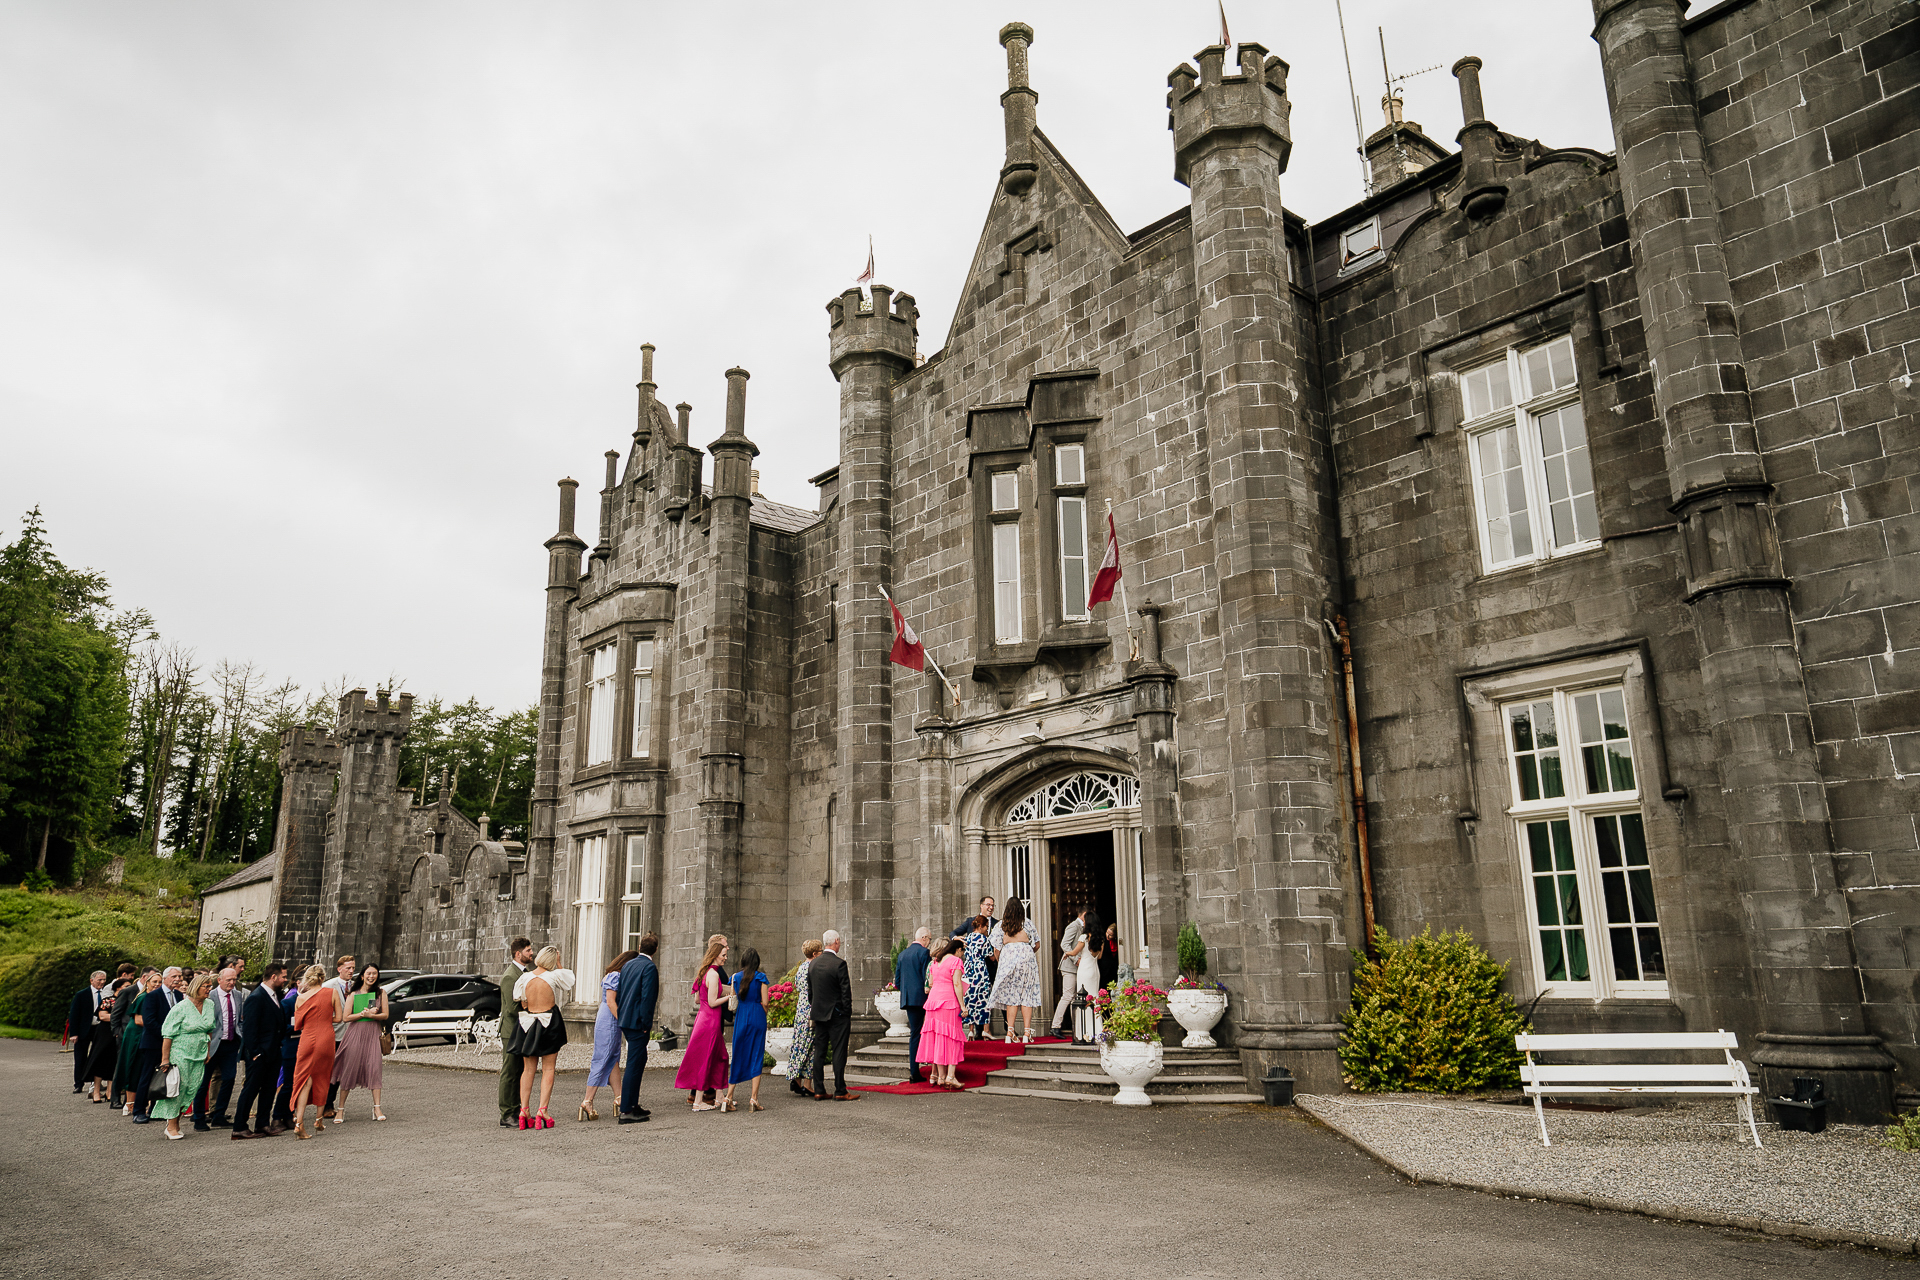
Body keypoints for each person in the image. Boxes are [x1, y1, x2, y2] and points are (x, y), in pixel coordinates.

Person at [510, 946, 576, 1130]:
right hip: (549, 1022)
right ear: (552, 961)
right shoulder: (554, 976)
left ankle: (524, 1110)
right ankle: (543, 1110)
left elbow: (521, 1001)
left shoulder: (524, 978)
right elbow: (569, 981)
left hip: (529, 1022)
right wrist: (559, 963)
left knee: (528, 1069)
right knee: (548, 1069)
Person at [151, 973, 217, 1140]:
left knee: (191, 1088)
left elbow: (209, 1029)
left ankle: (176, 1123)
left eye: (210, 986)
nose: (209, 989)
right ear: (197, 987)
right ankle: (171, 1126)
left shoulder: (209, 1004)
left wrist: (208, 1051)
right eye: (206, 987)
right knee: (179, 1088)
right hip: (180, 1053)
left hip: (199, 1054)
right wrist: (165, 1059)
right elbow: (167, 1034)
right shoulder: (180, 1008)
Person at [673, 935, 732, 1111]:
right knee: (707, 1058)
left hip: (703, 1018)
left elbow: (699, 1000)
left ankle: (719, 1096)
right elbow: (713, 1002)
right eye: (723, 954)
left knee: (720, 1057)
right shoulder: (713, 974)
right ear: (715, 955)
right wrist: (729, 997)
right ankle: (698, 1101)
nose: (725, 957)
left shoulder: (703, 972)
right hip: (711, 1021)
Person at [230, 963, 288, 1139]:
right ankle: (239, 1126)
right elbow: (249, 1028)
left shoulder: (275, 995)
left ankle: (262, 1123)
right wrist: (255, 1052)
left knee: (269, 1089)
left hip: (273, 1051)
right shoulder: (257, 997)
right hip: (259, 1053)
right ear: (273, 977)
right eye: (283, 977)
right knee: (251, 1089)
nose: (285, 980)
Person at [289, 965, 345, 1139]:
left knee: (304, 1079)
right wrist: (325, 1018)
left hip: (307, 1038)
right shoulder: (331, 993)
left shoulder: (300, 998)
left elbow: (297, 1025)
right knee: (323, 1076)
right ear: (323, 978)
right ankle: (318, 1120)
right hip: (325, 1037)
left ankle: (299, 1123)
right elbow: (339, 1018)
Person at [581, 949, 635, 1121]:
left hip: (608, 1017)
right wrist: (623, 1021)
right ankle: (587, 1100)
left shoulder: (614, 975)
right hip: (609, 1018)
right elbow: (611, 1002)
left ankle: (619, 1097)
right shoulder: (615, 976)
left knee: (613, 1058)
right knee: (603, 1058)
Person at [333, 963, 389, 1122]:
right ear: (363, 976)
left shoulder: (380, 993)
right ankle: (341, 1109)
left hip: (373, 1033)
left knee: (375, 1067)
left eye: (375, 974)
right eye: (369, 974)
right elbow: (345, 1018)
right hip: (355, 1034)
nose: (372, 977)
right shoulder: (353, 994)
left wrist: (372, 1016)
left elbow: (385, 1015)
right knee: (349, 1069)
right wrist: (362, 1014)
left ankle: (377, 1108)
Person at [614, 933, 660, 1124]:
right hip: (637, 1022)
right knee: (634, 1064)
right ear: (655, 950)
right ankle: (626, 1109)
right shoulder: (649, 967)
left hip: (626, 1019)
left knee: (638, 1060)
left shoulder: (628, 965)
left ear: (640, 947)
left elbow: (621, 993)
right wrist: (645, 1024)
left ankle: (632, 1104)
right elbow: (648, 999)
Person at [807, 929, 857, 1101]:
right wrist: (847, 1012)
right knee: (839, 1051)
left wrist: (815, 1007)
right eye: (839, 941)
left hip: (819, 1013)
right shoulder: (839, 964)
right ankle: (840, 1089)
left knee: (819, 1051)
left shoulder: (813, 964)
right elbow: (845, 992)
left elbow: (810, 993)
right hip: (837, 1015)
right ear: (836, 941)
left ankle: (819, 1089)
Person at [131, 966, 183, 1123]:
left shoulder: (180, 995)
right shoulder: (153, 996)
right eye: (174, 976)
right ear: (166, 978)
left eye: (179, 977)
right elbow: (149, 1021)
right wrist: (167, 1035)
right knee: (147, 1076)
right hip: (154, 1042)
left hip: (173, 1044)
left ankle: (156, 1109)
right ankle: (139, 1111)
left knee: (165, 1077)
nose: (178, 979)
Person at [195, 966, 244, 1127]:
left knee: (229, 1079)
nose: (232, 983)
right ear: (219, 980)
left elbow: (240, 1019)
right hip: (211, 1044)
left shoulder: (237, 995)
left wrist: (240, 1035)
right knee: (204, 1082)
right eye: (228, 980)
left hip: (230, 1044)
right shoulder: (211, 996)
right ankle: (199, 1118)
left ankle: (219, 1116)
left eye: (234, 980)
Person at [722, 947, 769, 1113]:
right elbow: (765, 1002)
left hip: (742, 1016)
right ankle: (753, 1098)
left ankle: (728, 1097)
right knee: (757, 1054)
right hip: (757, 1014)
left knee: (738, 1053)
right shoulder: (761, 977)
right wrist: (765, 1015)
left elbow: (733, 999)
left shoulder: (735, 977)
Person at [989, 899, 1041, 1043]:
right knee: (1026, 995)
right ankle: (1026, 1033)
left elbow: (996, 949)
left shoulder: (1001, 925)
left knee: (1011, 997)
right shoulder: (1027, 923)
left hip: (1008, 958)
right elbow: (1036, 944)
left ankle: (1009, 1032)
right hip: (1026, 958)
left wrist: (1003, 962)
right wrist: (1027, 952)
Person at [919, 938, 967, 1088]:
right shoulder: (955, 961)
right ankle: (950, 1076)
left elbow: (931, 982)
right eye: (962, 952)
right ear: (958, 950)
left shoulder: (935, 961)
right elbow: (957, 983)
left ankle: (941, 1077)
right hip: (948, 1001)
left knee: (938, 1039)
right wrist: (963, 1006)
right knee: (952, 1038)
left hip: (933, 1002)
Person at [498, 936, 534, 1127]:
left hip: (521, 1028)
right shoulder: (510, 976)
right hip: (511, 1030)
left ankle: (517, 1109)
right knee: (510, 1071)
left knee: (520, 1070)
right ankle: (506, 1113)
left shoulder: (524, 972)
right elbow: (511, 1008)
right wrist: (533, 1006)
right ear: (518, 954)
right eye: (528, 950)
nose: (531, 953)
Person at [109, 968, 152, 1110]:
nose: (157, 983)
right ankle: (115, 1098)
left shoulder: (152, 994)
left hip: (144, 1035)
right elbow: (116, 1013)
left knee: (136, 1068)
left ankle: (133, 1100)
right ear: (145, 977)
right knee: (122, 1066)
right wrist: (116, 1033)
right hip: (127, 1034)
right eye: (154, 979)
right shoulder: (128, 991)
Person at [894, 927, 931, 1085]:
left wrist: (908, 991)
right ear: (923, 937)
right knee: (924, 1032)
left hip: (908, 999)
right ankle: (920, 1071)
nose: (929, 942)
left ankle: (915, 1071)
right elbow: (927, 977)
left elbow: (897, 982)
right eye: (929, 939)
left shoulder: (902, 954)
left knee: (914, 1034)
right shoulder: (924, 953)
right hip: (924, 999)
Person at [319, 954, 354, 1120]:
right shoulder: (328, 986)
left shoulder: (355, 986)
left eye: (353, 968)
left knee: (340, 1071)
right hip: (333, 1033)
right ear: (339, 969)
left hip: (350, 1033)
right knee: (329, 1069)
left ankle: (330, 1102)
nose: (351, 971)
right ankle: (326, 1104)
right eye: (348, 968)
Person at [786, 939, 822, 1096]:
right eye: (820, 951)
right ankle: (806, 1081)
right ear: (815, 954)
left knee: (799, 1043)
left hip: (800, 1009)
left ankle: (797, 1078)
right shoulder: (813, 968)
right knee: (811, 1046)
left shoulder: (800, 968)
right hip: (810, 1008)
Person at [66, 970, 108, 1094]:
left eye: (104, 980)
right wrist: (73, 1033)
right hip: (84, 1029)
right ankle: (78, 1083)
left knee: (97, 1056)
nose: (102, 982)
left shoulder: (106, 994)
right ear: (92, 980)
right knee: (80, 1057)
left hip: (99, 1028)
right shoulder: (82, 994)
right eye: (99, 980)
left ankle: (95, 1083)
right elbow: (74, 1014)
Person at [80, 978, 122, 1101]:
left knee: (113, 1062)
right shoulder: (107, 1000)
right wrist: (120, 1017)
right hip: (104, 1034)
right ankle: (96, 1092)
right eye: (125, 986)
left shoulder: (126, 1001)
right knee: (100, 1060)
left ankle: (109, 1091)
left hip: (118, 1033)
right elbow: (102, 1016)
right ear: (118, 988)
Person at [1052, 906, 1089, 1037]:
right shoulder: (1073, 926)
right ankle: (1055, 1026)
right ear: (1084, 914)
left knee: (1074, 997)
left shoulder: (1083, 927)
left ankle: (1076, 1027)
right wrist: (1075, 959)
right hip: (1068, 966)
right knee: (1068, 995)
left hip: (1077, 967)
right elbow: (1064, 944)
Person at [272, 979, 302, 1130]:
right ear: (299, 983)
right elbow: (281, 1027)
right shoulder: (289, 1002)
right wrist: (299, 1026)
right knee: (288, 1084)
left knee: (299, 1084)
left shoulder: (312, 1001)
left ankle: (290, 1115)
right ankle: (277, 1116)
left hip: (307, 1047)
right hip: (291, 1046)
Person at [1073, 914, 1106, 1044]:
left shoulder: (1084, 937)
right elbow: (1099, 957)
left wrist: (1067, 953)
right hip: (1094, 970)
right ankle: (1097, 1031)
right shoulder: (1100, 939)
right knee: (1094, 998)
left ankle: (1084, 1032)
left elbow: (1075, 951)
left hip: (1084, 970)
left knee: (1083, 999)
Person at [961, 916, 993, 1039]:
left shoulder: (968, 938)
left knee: (970, 999)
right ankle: (985, 1029)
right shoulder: (983, 939)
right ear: (981, 926)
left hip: (968, 969)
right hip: (980, 970)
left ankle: (970, 1030)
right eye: (986, 926)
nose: (987, 929)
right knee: (984, 998)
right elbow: (990, 956)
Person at [1099, 923, 1122, 991]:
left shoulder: (1117, 942)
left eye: (1110, 935)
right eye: (1107, 933)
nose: (1108, 936)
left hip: (1113, 969)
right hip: (1104, 969)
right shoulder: (1103, 940)